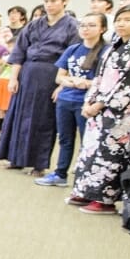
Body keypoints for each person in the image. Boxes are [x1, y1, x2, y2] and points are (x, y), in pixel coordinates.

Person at [68, 5, 130, 213]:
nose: (121, 23)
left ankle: (105, 199)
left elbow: (129, 85)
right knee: (90, 148)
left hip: (122, 110)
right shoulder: (114, 45)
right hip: (98, 105)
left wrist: (100, 104)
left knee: (111, 152)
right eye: (119, 19)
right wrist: (89, 102)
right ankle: (86, 191)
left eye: (128, 20)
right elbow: (99, 77)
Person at [0, 0, 80, 174]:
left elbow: (72, 57)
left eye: (54, 1)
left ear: (64, 2)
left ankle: (39, 164)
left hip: (52, 75)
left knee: (43, 120)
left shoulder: (73, 26)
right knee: (18, 117)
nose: (49, 5)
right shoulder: (34, 24)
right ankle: (16, 158)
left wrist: (62, 85)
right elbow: (19, 51)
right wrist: (13, 78)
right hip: (27, 73)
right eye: (47, 1)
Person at [35, 13, 108, 187]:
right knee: (65, 139)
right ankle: (60, 174)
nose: (86, 29)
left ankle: (84, 178)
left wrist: (86, 83)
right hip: (66, 100)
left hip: (88, 103)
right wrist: (70, 81)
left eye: (91, 25)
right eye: (83, 25)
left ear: (102, 29)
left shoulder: (106, 52)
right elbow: (59, 77)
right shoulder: (73, 49)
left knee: (87, 142)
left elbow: (106, 81)